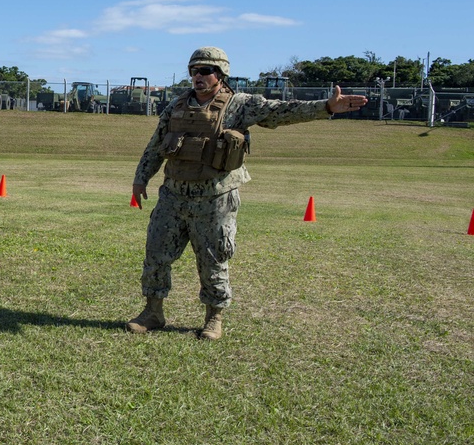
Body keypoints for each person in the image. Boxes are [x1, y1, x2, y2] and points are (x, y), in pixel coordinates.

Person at [127, 46, 367, 340]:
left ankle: (213, 318)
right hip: (174, 196)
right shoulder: (175, 106)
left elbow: (282, 111)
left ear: (220, 74)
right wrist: (141, 179)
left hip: (216, 199)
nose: (198, 76)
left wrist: (326, 107)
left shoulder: (240, 105)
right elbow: (155, 145)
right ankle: (152, 312)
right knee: (156, 254)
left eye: (205, 71)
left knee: (213, 258)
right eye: (194, 71)